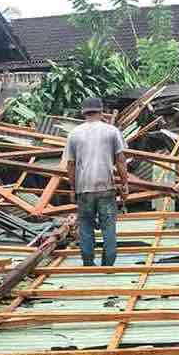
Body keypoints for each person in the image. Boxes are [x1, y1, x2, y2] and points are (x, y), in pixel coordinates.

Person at [64, 97, 129, 267]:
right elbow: (121, 161)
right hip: (106, 187)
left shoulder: (74, 134)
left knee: (85, 227)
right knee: (108, 227)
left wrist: (72, 188)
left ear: (83, 113)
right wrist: (124, 184)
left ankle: (88, 264)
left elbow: (70, 165)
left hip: (83, 189)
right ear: (101, 112)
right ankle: (108, 265)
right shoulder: (112, 131)